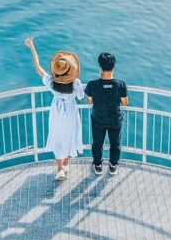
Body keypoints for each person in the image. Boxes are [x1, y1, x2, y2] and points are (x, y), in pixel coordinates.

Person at [25, 37, 84, 180]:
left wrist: (32, 46)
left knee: (58, 137)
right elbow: (81, 96)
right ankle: (66, 164)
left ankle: (60, 169)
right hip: (70, 111)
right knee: (70, 134)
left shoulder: (51, 82)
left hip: (57, 111)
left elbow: (38, 68)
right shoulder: (76, 83)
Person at [86, 52, 128, 176]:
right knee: (115, 143)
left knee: (97, 143)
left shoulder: (92, 84)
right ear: (114, 66)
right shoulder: (120, 84)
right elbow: (125, 102)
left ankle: (98, 165)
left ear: (99, 66)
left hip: (98, 118)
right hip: (115, 119)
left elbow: (90, 100)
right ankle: (113, 166)